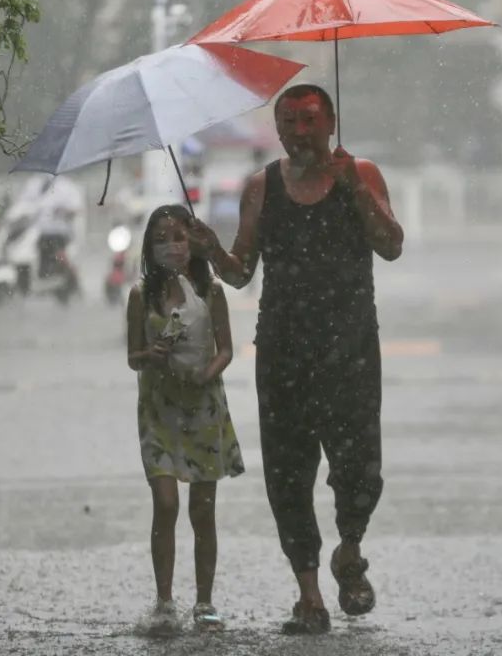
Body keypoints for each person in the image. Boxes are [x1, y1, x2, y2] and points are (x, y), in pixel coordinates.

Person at [187, 84, 404, 635]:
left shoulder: (363, 173)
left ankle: (349, 549)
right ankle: (309, 595)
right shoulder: (261, 187)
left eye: (310, 120)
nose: (301, 132)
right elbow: (241, 272)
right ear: (278, 130)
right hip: (282, 351)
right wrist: (211, 249)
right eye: (290, 122)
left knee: (359, 465)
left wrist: (353, 183)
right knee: (288, 474)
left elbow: (391, 243)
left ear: (330, 122)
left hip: (351, 348)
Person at [126, 204, 245, 635]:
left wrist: (206, 374)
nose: (170, 246)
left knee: (203, 510)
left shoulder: (211, 292)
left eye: (178, 237)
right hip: (159, 411)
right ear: (148, 247)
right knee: (166, 503)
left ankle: (205, 601)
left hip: (204, 409)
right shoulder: (141, 295)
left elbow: (227, 348)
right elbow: (132, 357)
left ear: (192, 242)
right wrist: (150, 355)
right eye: (160, 238)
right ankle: (163, 601)